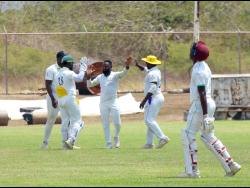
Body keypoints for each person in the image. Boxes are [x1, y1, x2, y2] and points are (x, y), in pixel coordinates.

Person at [178, 41, 241, 178]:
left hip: (201, 104)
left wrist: (205, 114)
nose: (190, 51)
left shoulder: (198, 69)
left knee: (188, 134)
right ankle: (231, 165)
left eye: (192, 50)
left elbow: (201, 91)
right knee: (208, 136)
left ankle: (192, 171)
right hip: (208, 102)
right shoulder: (204, 66)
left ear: (195, 54)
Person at [87, 58, 131, 149]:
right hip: (103, 103)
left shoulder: (115, 75)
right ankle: (108, 143)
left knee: (118, 123)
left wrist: (127, 66)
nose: (104, 67)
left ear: (111, 67)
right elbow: (90, 85)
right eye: (103, 66)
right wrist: (88, 77)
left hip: (114, 102)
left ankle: (116, 136)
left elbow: (124, 73)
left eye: (106, 66)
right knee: (105, 124)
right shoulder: (100, 77)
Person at [136, 55, 170, 149]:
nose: (146, 63)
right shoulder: (154, 70)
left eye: (147, 62)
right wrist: (137, 65)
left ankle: (162, 137)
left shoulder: (153, 74)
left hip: (153, 97)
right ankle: (149, 143)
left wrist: (144, 100)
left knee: (149, 120)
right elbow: (145, 69)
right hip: (155, 97)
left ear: (150, 63)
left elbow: (153, 87)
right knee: (150, 120)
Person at [55, 55, 89, 150]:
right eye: (72, 63)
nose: (73, 66)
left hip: (61, 99)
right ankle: (71, 140)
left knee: (65, 122)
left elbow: (57, 88)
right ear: (68, 63)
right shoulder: (68, 73)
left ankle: (64, 144)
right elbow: (80, 78)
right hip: (70, 98)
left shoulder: (58, 74)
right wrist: (83, 67)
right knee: (78, 121)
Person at [41, 51, 66, 149]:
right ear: (58, 58)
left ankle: (66, 143)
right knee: (51, 119)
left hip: (64, 97)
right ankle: (45, 143)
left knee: (66, 120)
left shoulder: (66, 69)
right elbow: (47, 84)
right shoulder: (51, 69)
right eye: (63, 59)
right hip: (54, 97)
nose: (64, 60)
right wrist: (52, 99)